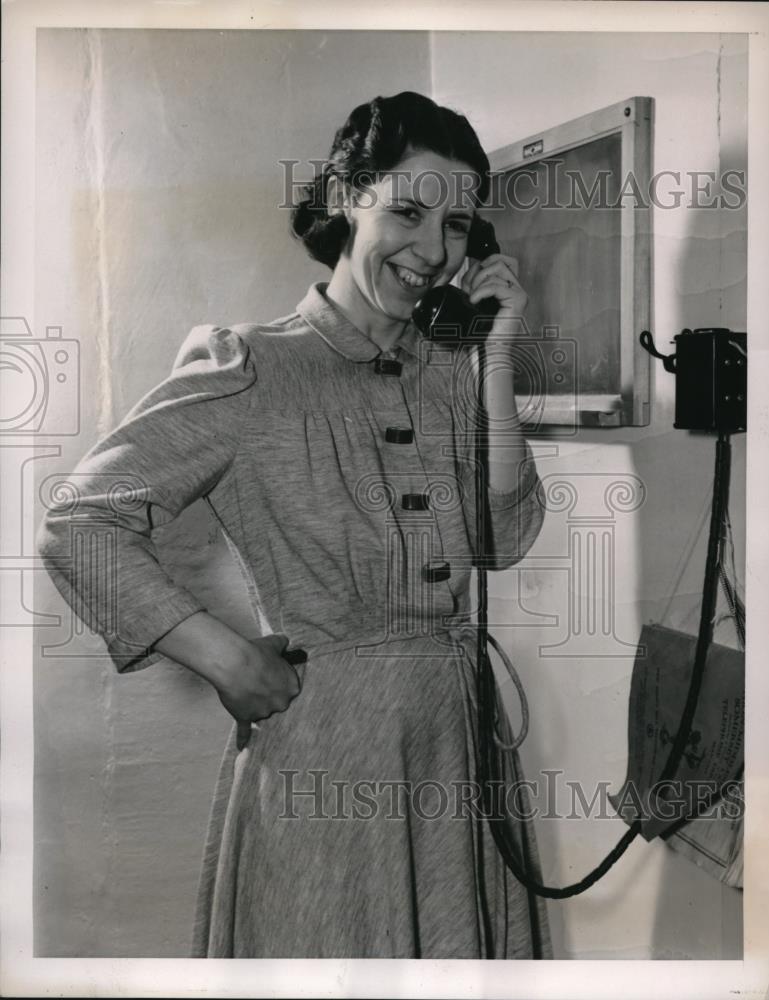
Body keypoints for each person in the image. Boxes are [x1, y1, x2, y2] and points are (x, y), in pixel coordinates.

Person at [36, 90, 552, 959]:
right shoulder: (253, 367)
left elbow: (500, 542)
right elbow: (78, 521)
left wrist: (493, 358)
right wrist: (224, 657)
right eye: (407, 212)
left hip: (457, 739)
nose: (433, 250)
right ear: (348, 198)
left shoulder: (448, 367)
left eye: (457, 225)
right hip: (328, 752)